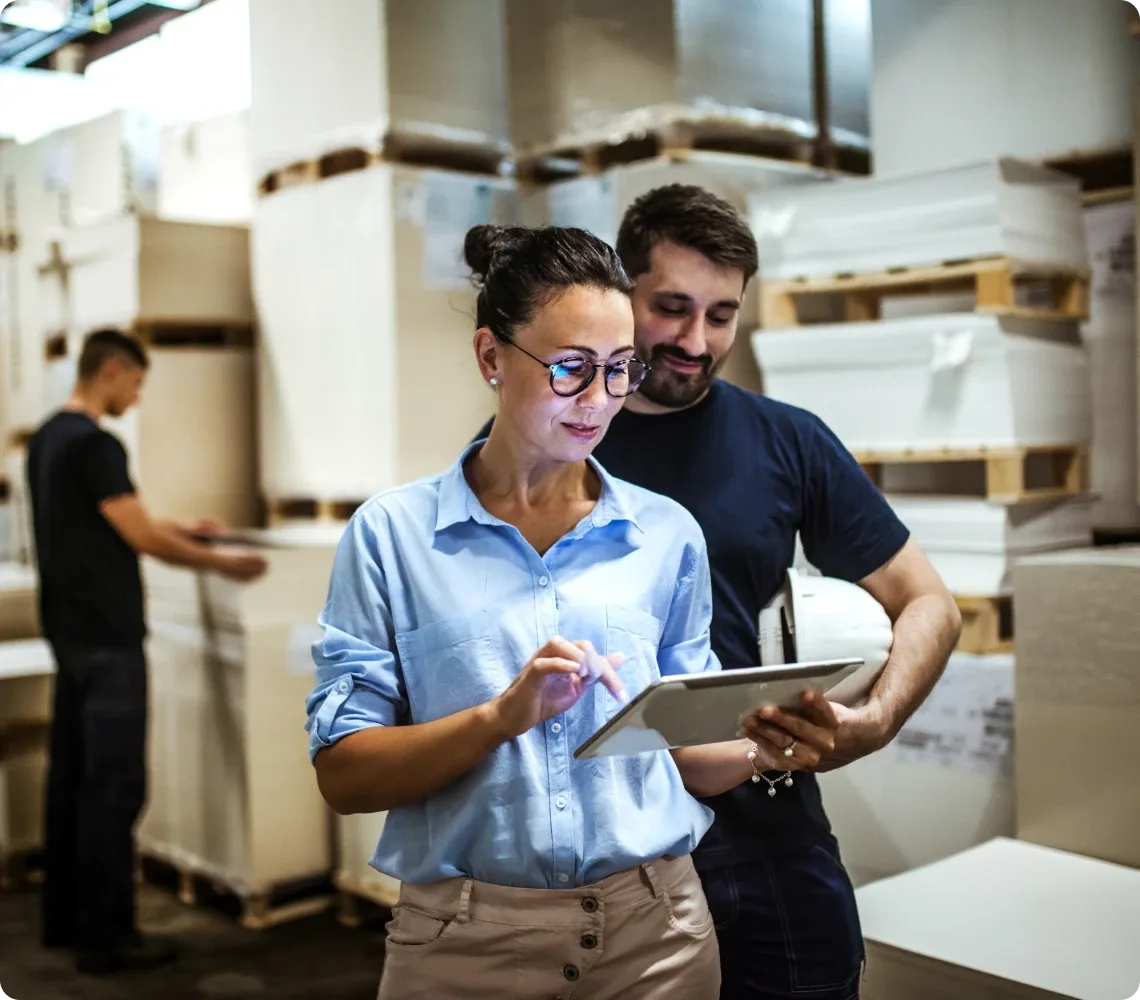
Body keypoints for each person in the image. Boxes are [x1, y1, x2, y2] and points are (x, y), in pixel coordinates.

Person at [476, 185, 963, 1000]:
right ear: (621, 293)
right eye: (671, 307)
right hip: (607, 862)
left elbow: (930, 603)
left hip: (770, 836)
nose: (695, 341)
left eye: (722, 315)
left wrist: (873, 724)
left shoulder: (787, 440)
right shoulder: (546, 442)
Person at [306, 224, 769, 999]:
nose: (598, 402)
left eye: (621, 371)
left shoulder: (666, 535)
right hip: (463, 949)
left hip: (657, 939)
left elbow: (690, 755)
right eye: (570, 369)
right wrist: (499, 718)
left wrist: (771, 743)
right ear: (492, 357)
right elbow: (345, 778)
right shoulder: (393, 537)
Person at [26, 329, 268, 976]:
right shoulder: (97, 444)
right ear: (111, 371)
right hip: (108, 642)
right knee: (115, 788)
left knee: (70, 782)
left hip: (69, 639)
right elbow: (137, 535)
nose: (135, 396)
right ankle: (108, 939)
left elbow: (109, 520)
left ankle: (64, 921)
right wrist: (219, 560)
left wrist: (182, 527)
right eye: (135, 383)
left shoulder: (49, 438)